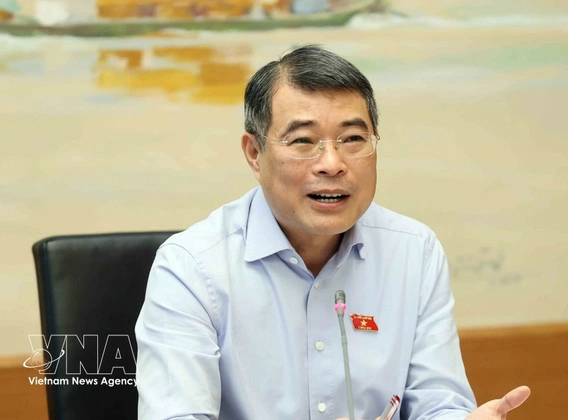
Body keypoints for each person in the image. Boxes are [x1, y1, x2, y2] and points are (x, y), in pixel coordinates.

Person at [135, 45, 529, 420]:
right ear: (255, 154)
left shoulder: (414, 251)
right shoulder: (192, 267)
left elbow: (437, 402)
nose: (332, 163)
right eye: (303, 141)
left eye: (353, 139)